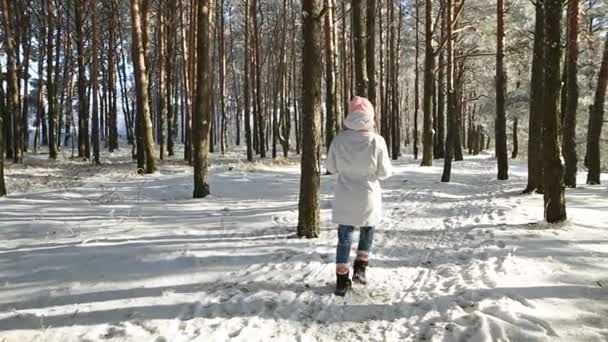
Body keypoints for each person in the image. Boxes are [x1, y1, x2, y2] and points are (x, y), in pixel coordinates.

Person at [326, 96, 393, 296]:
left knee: (344, 235)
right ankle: (361, 270)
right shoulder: (376, 141)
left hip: (345, 193)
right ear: (370, 116)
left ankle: (341, 279)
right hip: (368, 193)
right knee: (367, 229)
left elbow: (331, 167)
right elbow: (385, 173)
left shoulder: (339, 139)